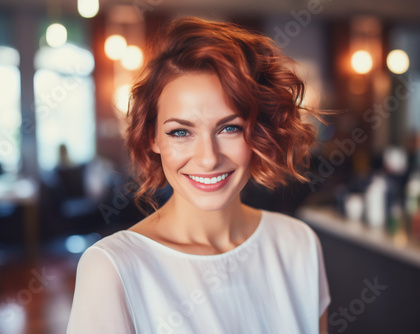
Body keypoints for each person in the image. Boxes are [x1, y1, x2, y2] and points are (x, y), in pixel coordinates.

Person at [67, 16, 330, 334]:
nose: (208, 158)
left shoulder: (298, 243)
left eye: (229, 128)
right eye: (180, 132)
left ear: (258, 132)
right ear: (153, 138)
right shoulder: (111, 268)